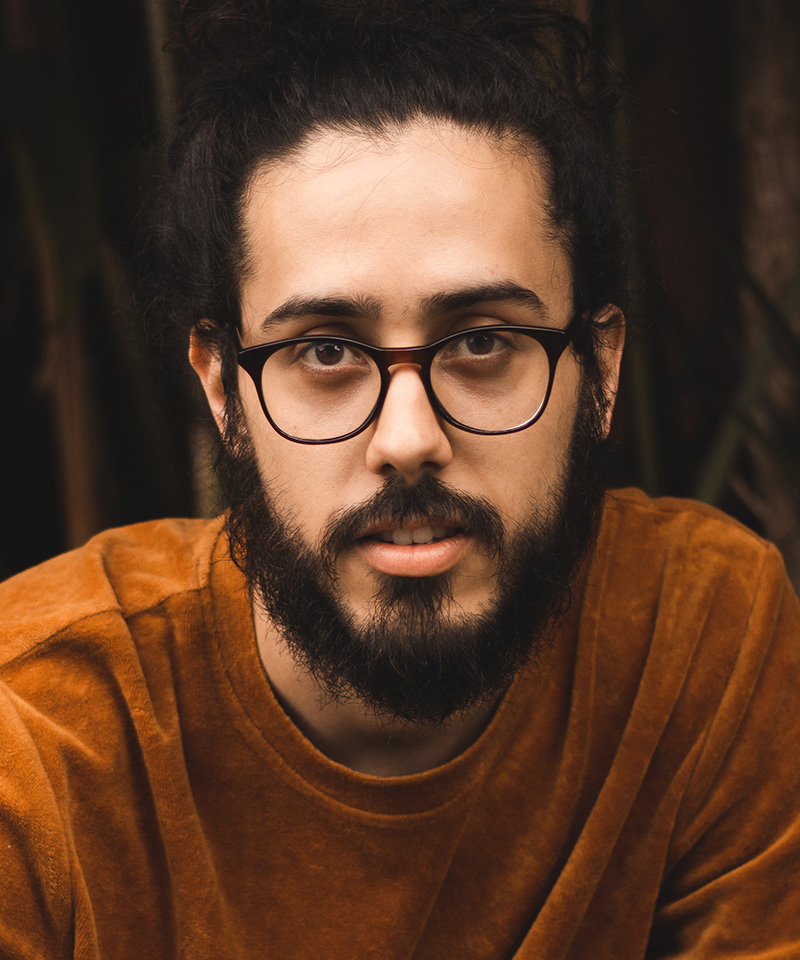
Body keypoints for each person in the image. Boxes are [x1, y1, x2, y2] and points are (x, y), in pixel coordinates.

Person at [1, 1, 799, 957]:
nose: (410, 438)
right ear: (221, 389)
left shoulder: (699, 634)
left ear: (601, 370)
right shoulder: (37, 735)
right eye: (326, 351)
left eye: (484, 342)